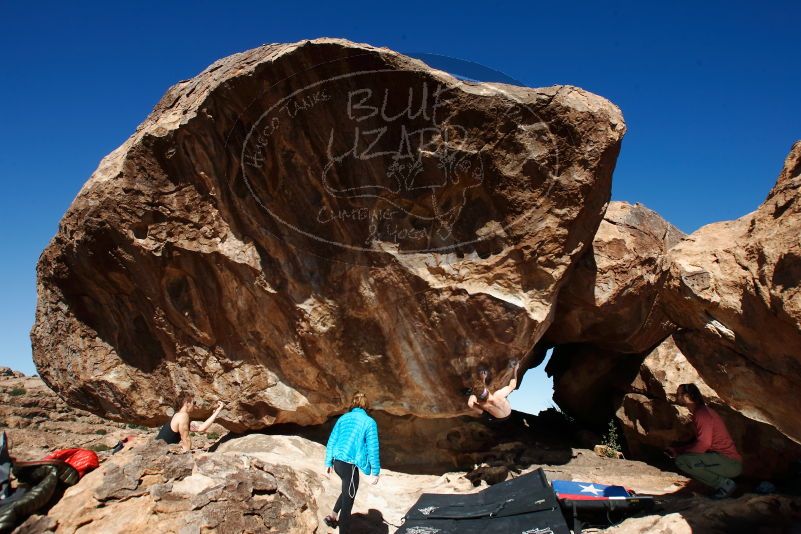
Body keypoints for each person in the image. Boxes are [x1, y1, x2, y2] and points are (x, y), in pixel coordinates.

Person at [666, 383, 743, 499]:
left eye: (679, 394)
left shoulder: (702, 414)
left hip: (729, 462)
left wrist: (681, 453)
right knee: (684, 458)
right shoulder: (701, 412)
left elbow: (703, 445)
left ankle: (724, 485)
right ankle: (721, 485)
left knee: (682, 461)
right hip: (722, 460)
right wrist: (677, 449)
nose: (677, 397)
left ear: (686, 397)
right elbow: (700, 443)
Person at [323, 392, 381, 533]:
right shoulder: (369, 422)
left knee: (348, 490)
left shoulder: (343, 418)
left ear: (353, 403)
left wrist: (328, 463)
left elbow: (332, 440)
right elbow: (373, 448)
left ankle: (332, 516)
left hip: (338, 463)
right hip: (349, 465)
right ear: (366, 406)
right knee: (348, 503)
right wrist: (375, 471)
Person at [155, 395, 225, 452]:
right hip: (160, 453)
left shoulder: (178, 415)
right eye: (193, 402)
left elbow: (201, 428)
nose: (194, 405)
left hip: (158, 451)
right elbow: (186, 439)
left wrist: (217, 411)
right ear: (187, 402)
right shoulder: (183, 416)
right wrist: (187, 457)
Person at [467, 359, 520, 423]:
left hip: (498, 418)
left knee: (480, 410)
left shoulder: (482, 404)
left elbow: (470, 404)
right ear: (486, 389)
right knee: (509, 388)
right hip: (508, 412)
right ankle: (472, 392)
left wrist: (473, 394)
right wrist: (515, 370)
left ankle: (470, 392)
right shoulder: (498, 395)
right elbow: (512, 386)